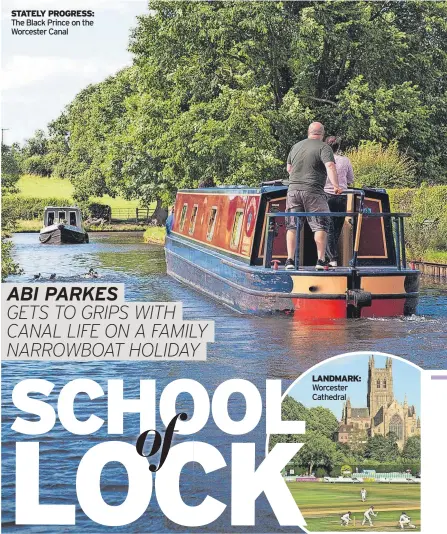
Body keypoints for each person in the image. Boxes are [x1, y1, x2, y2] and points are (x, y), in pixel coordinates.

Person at [285, 122, 343, 270]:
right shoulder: (324, 147)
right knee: (320, 225)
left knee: (292, 225)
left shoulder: (296, 146)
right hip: (313, 191)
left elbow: (289, 168)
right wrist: (336, 186)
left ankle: (290, 260)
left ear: (308, 132)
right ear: (322, 134)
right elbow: (330, 166)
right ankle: (321, 260)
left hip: (293, 191)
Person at [324, 136, 354, 267]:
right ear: (338, 147)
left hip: (326, 195)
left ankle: (332, 258)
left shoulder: (323, 160)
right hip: (342, 196)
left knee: (327, 227)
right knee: (336, 228)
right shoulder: (345, 160)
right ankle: (330, 257)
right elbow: (350, 179)